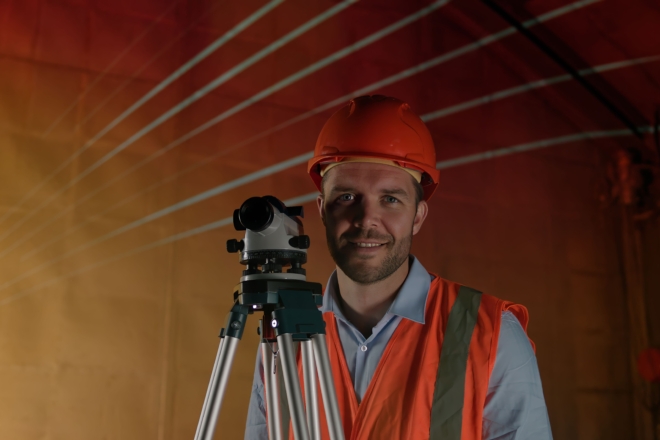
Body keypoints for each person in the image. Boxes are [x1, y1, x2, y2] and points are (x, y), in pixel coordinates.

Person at [244, 95, 552, 439]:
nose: (366, 220)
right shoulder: (282, 339)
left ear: (418, 216)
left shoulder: (492, 335)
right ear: (321, 209)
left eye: (390, 199)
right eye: (346, 197)